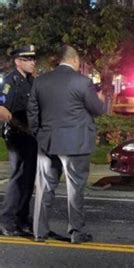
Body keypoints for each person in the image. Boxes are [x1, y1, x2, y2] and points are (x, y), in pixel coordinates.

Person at [27, 45, 105, 243]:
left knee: (44, 188)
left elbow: (32, 113)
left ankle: (39, 232)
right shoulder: (82, 82)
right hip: (76, 144)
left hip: (47, 142)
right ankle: (76, 232)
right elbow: (97, 110)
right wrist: (101, 100)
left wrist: (40, 134)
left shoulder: (40, 81)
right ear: (75, 61)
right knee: (75, 188)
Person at [0, 45, 38, 236]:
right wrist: (21, 126)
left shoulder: (31, 81)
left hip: (31, 137)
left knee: (29, 180)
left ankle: (22, 219)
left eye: (33, 59)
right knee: (17, 178)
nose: (33, 62)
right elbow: (1, 109)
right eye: (28, 59)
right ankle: (6, 221)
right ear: (18, 61)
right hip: (16, 136)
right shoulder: (10, 81)